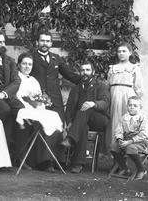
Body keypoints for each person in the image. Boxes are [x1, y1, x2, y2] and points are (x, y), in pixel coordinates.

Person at [29, 30, 81, 170]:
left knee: (57, 129)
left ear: (51, 43)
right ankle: (44, 162)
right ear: (37, 42)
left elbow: (70, 75)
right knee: (44, 129)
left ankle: (58, 160)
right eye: (42, 41)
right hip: (38, 100)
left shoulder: (55, 58)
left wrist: (84, 80)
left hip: (55, 100)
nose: (45, 44)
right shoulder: (31, 58)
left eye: (47, 41)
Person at [14, 52, 64, 172]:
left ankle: (49, 160)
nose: (27, 66)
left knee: (51, 119)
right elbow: (17, 96)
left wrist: (40, 105)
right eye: (24, 64)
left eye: (30, 64)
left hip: (34, 108)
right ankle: (23, 158)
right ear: (19, 65)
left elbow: (39, 97)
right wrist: (29, 106)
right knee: (29, 122)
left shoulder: (34, 80)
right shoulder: (15, 78)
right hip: (21, 107)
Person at [60, 61, 110, 173]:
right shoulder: (75, 89)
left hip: (100, 119)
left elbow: (105, 102)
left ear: (93, 72)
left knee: (86, 108)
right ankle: (78, 164)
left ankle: (70, 138)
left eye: (87, 70)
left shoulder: (100, 85)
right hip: (81, 121)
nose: (85, 73)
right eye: (82, 70)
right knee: (83, 127)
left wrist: (93, 104)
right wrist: (69, 122)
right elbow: (69, 108)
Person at [107, 42, 144, 154]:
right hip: (114, 98)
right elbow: (108, 86)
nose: (121, 53)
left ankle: (127, 154)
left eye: (124, 51)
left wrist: (134, 103)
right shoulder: (112, 68)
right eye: (119, 51)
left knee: (127, 124)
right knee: (115, 124)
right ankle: (115, 154)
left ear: (130, 53)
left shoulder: (134, 68)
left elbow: (139, 88)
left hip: (127, 97)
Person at [110, 96, 148, 180]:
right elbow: (119, 130)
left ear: (140, 108)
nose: (132, 107)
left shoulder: (143, 119)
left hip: (140, 141)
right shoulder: (124, 118)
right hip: (125, 140)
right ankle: (124, 168)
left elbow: (143, 134)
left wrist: (130, 141)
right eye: (130, 105)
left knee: (130, 148)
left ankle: (141, 169)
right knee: (113, 146)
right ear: (127, 106)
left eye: (135, 106)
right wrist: (119, 139)